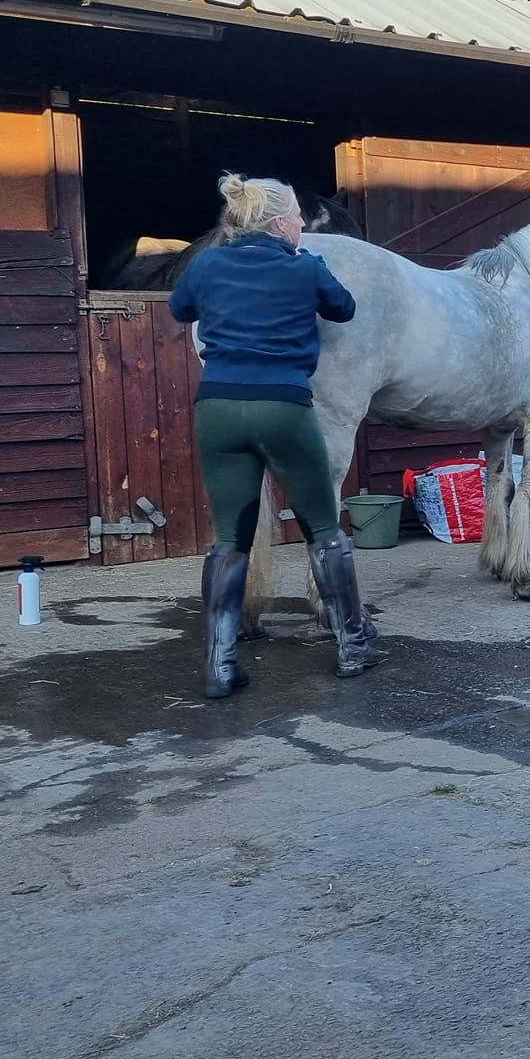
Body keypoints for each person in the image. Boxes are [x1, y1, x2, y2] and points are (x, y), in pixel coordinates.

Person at [168, 173, 376, 697]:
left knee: (228, 539)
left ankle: (219, 665)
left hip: (218, 407)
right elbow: (344, 308)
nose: (304, 224)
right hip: (283, 406)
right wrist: (311, 272)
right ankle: (352, 644)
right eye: (299, 217)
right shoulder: (304, 266)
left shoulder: (209, 262)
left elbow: (179, 309)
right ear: (281, 222)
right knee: (323, 527)